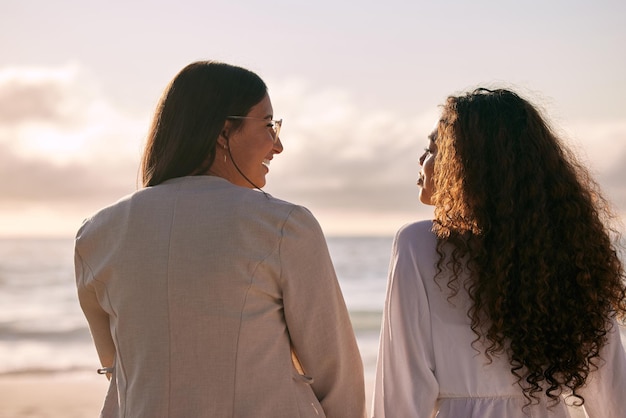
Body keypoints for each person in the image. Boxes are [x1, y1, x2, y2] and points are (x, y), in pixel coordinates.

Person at [74, 61, 366, 418]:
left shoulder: (97, 234)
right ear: (223, 131)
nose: (279, 145)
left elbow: (118, 369)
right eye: (269, 124)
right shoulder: (284, 226)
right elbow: (337, 377)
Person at [372, 88, 626, 417]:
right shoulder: (571, 252)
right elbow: (613, 397)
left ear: (466, 163)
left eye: (433, 148)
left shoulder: (418, 244)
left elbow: (401, 393)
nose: (422, 161)